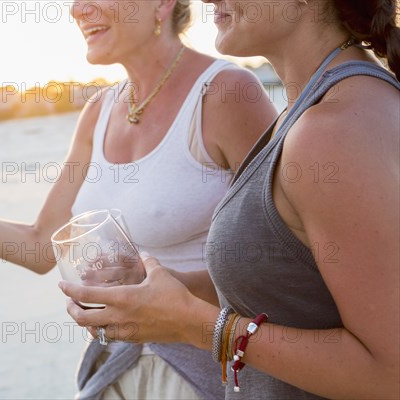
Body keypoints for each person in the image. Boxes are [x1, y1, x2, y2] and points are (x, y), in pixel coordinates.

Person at [0, 0, 277, 398]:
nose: (77, 9)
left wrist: (168, 292)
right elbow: (38, 246)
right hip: (116, 370)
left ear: (162, 4)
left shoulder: (227, 93)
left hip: (212, 372)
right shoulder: (98, 111)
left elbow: (283, 263)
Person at [60, 0, 400, 398]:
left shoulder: (331, 130)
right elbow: (297, 287)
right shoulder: (317, 111)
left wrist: (194, 326)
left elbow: (390, 375)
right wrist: (172, 289)